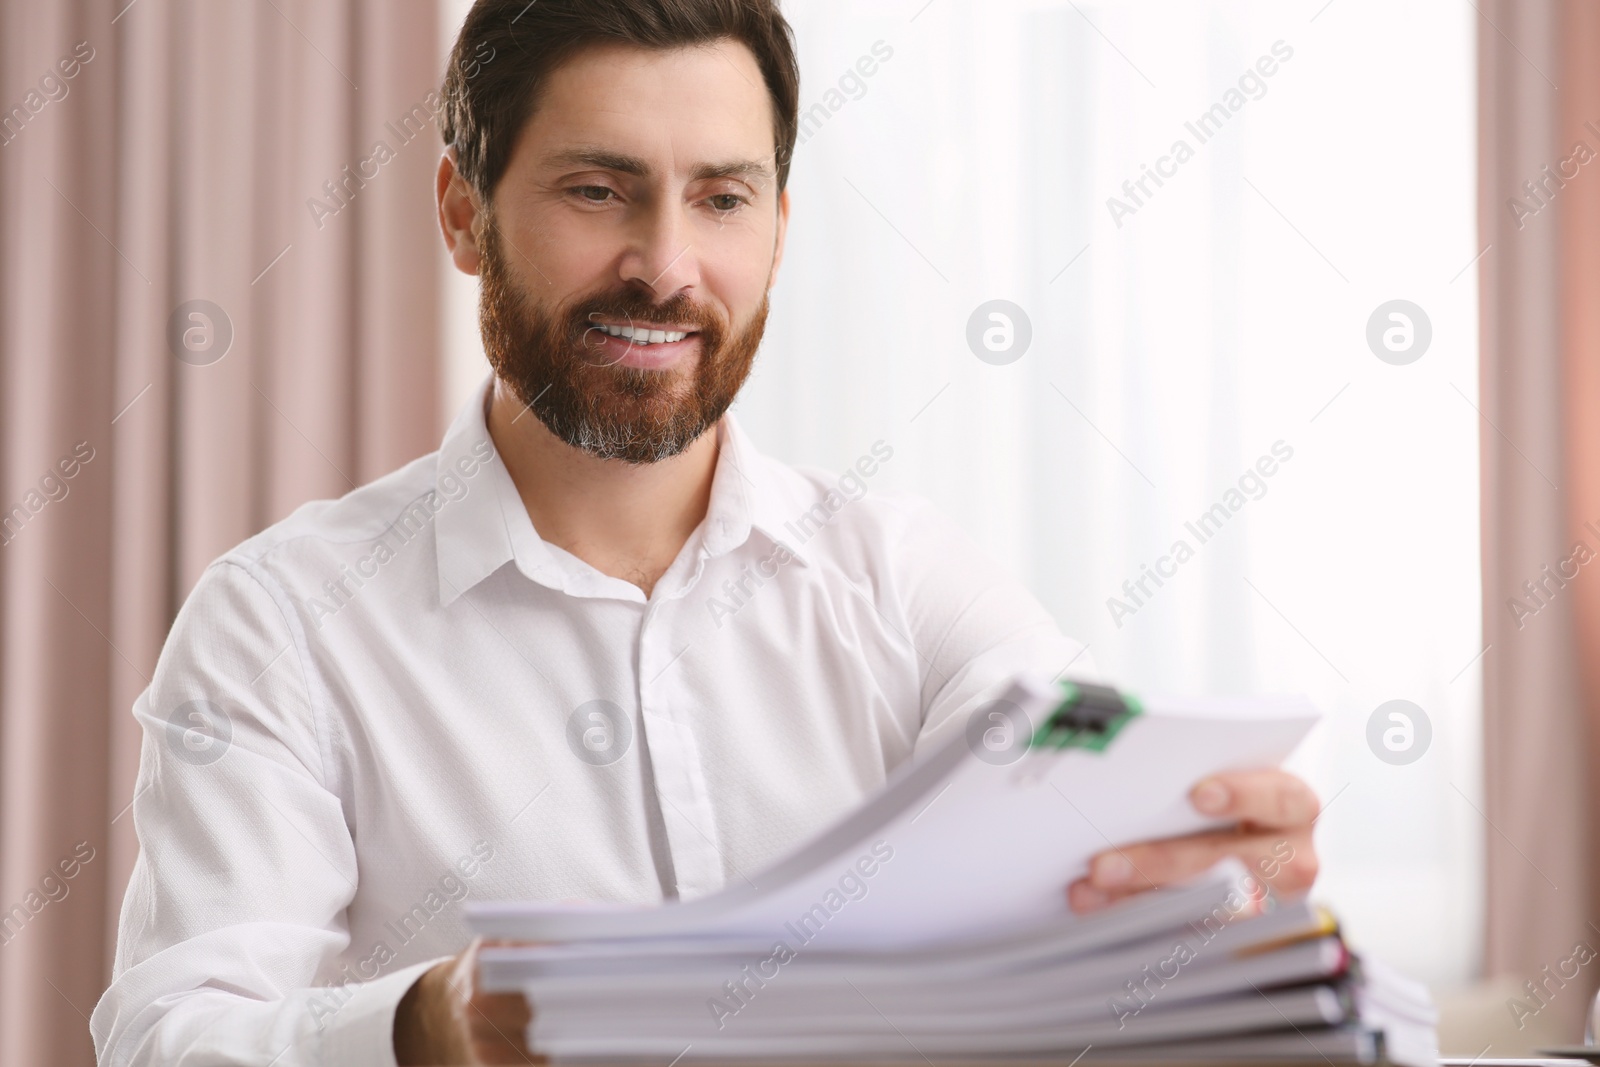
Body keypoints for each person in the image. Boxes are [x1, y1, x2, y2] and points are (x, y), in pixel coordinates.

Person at [91, 2, 1320, 1064]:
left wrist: (1202, 866)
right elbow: (170, 1035)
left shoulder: (909, 575)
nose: (665, 266)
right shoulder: (282, 621)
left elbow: (1073, 755)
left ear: (777, 229)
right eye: (597, 189)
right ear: (464, 215)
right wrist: (429, 1027)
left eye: (720, 198)